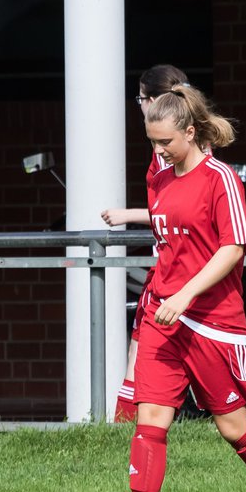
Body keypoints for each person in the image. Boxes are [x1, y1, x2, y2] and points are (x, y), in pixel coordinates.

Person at [93, 85, 246, 492]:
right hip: (161, 315)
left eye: (166, 142)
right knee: (151, 416)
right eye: (152, 142)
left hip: (212, 320)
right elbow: (168, 234)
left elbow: (232, 248)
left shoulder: (220, 179)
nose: (159, 151)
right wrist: (165, 295)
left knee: (234, 428)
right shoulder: (160, 175)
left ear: (190, 132)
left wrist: (186, 295)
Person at [100, 63, 189, 423]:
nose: (138, 105)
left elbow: (178, 212)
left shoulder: (173, 150)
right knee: (142, 344)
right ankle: (124, 426)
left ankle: (126, 423)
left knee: (147, 349)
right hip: (173, 263)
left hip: (179, 266)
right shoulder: (176, 144)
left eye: (140, 97)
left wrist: (128, 215)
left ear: (153, 101)